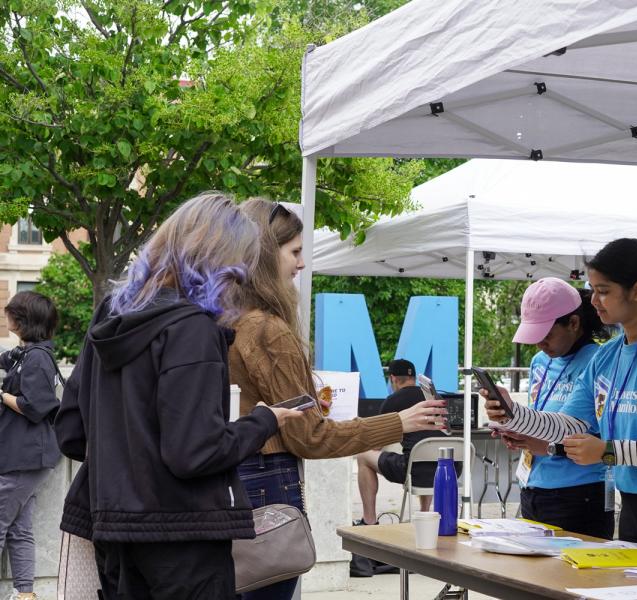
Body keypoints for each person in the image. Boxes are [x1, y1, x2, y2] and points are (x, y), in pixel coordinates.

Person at [54, 192, 305, 599]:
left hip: (115, 536)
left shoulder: (111, 317)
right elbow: (195, 452)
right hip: (185, 540)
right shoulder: (192, 329)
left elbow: (71, 433)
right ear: (221, 261)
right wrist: (264, 421)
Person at [229, 199, 447, 597]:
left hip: (235, 477)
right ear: (264, 254)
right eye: (294, 252)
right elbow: (310, 437)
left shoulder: (230, 319)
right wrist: (401, 422)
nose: (302, 264)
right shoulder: (267, 329)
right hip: (265, 483)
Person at [485, 238, 637, 562]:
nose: (594, 301)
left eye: (603, 291)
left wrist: (608, 451)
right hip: (633, 503)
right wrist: (512, 414)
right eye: (592, 289)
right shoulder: (608, 355)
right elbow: (569, 425)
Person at [492, 278, 614, 539]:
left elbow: (581, 432)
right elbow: (541, 418)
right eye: (534, 337)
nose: (540, 345)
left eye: (546, 335)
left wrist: (542, 441)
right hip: (532, 485)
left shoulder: (598, 362)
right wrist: (512, 427)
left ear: (573, 323)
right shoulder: (540, 362)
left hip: (579, 493)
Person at [0, 292, 63, 600]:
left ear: (22, 320)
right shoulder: (27, 353)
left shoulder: (37, 358)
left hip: (25, 456)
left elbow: (35, 406)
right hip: (27, 455)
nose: (6, 316)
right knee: (19, 528)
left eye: (10, 313)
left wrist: (1, 395)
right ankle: (25, 595)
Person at [356, 359, 448, 525]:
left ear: (393, 378)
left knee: (363, 456)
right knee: (427, 454)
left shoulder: (392, 401)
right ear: (413, 378)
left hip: (413, 473)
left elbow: (376, 445)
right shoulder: (434, 398)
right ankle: (424, 513)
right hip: (448, 470)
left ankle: (368, 520)